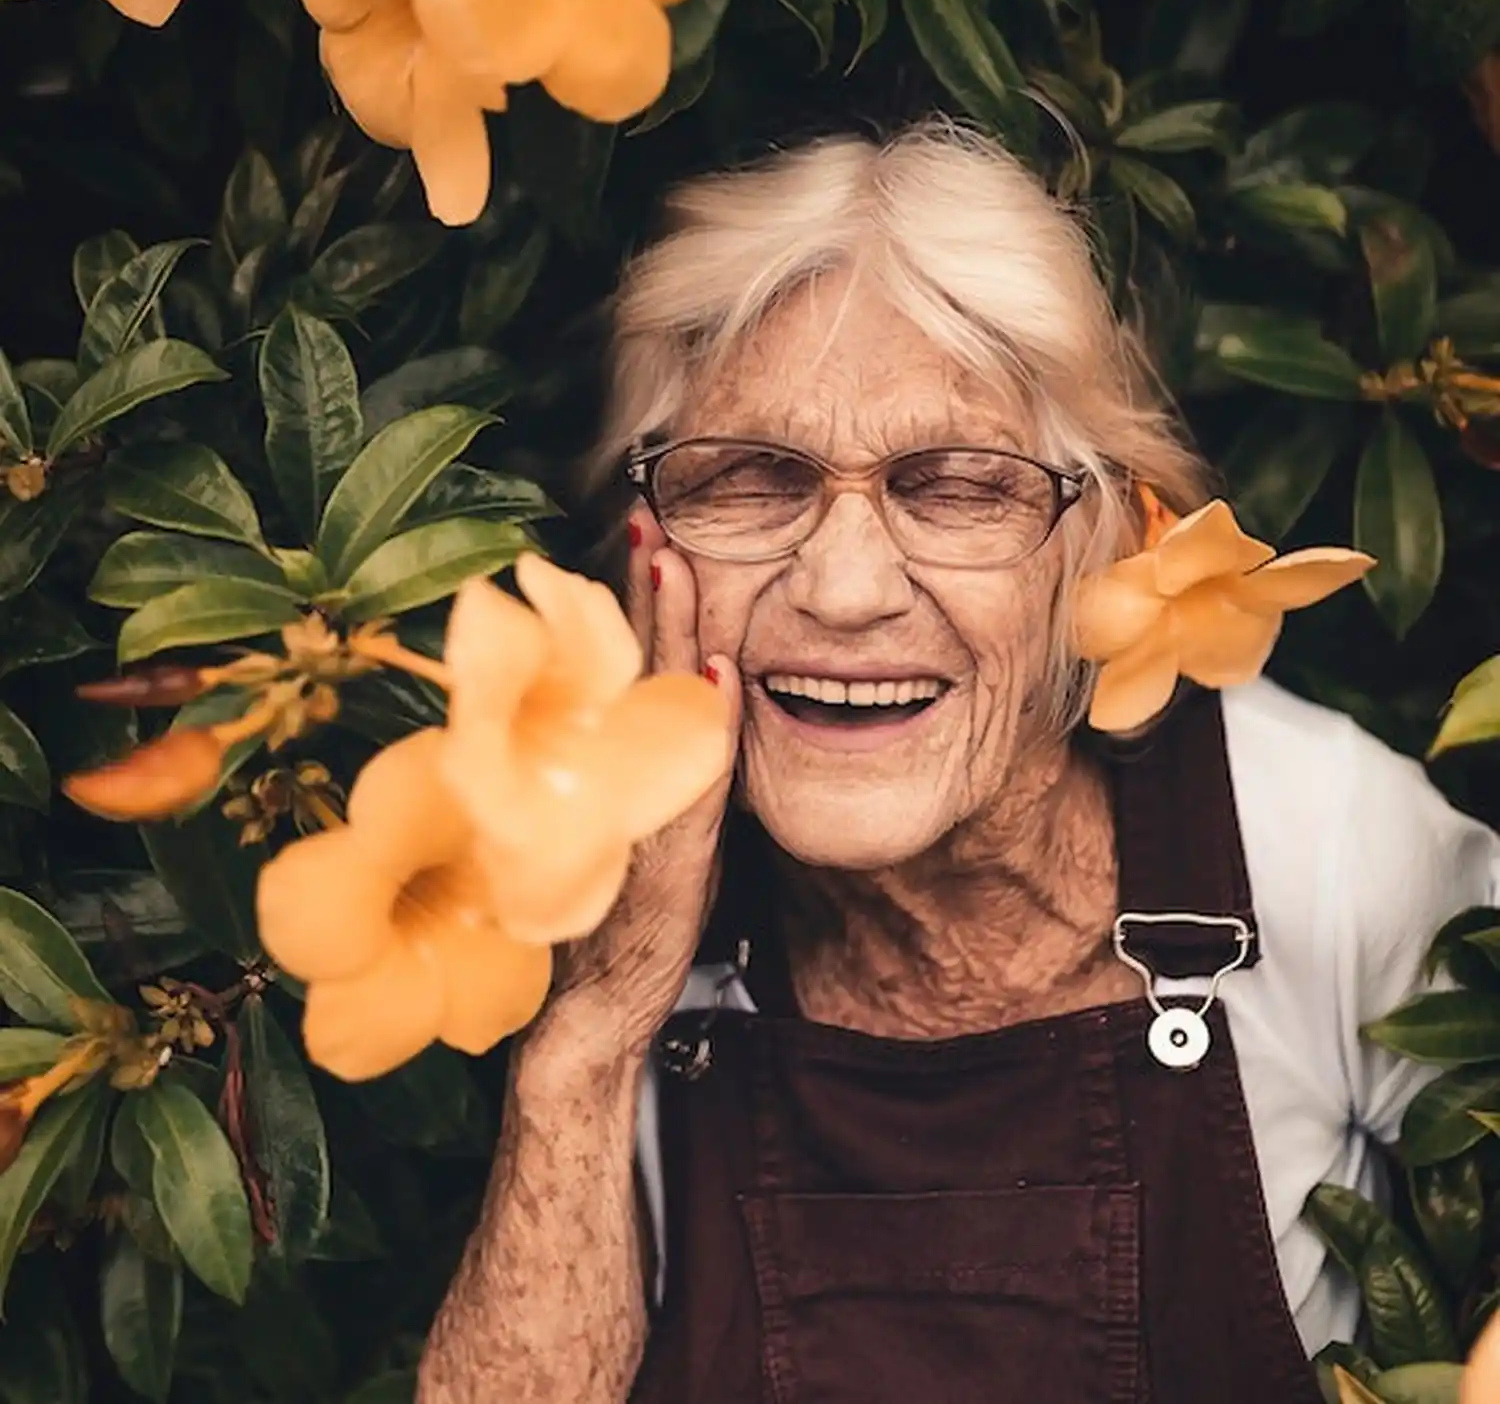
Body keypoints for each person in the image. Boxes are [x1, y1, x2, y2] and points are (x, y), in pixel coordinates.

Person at [414, 120, 1500, 1404]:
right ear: (651, 547)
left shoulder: (1321, 840)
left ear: (1091, 545)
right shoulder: (616, 880)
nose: (845, 587)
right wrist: (595, 1029)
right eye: (755, 477)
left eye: (958, 486)